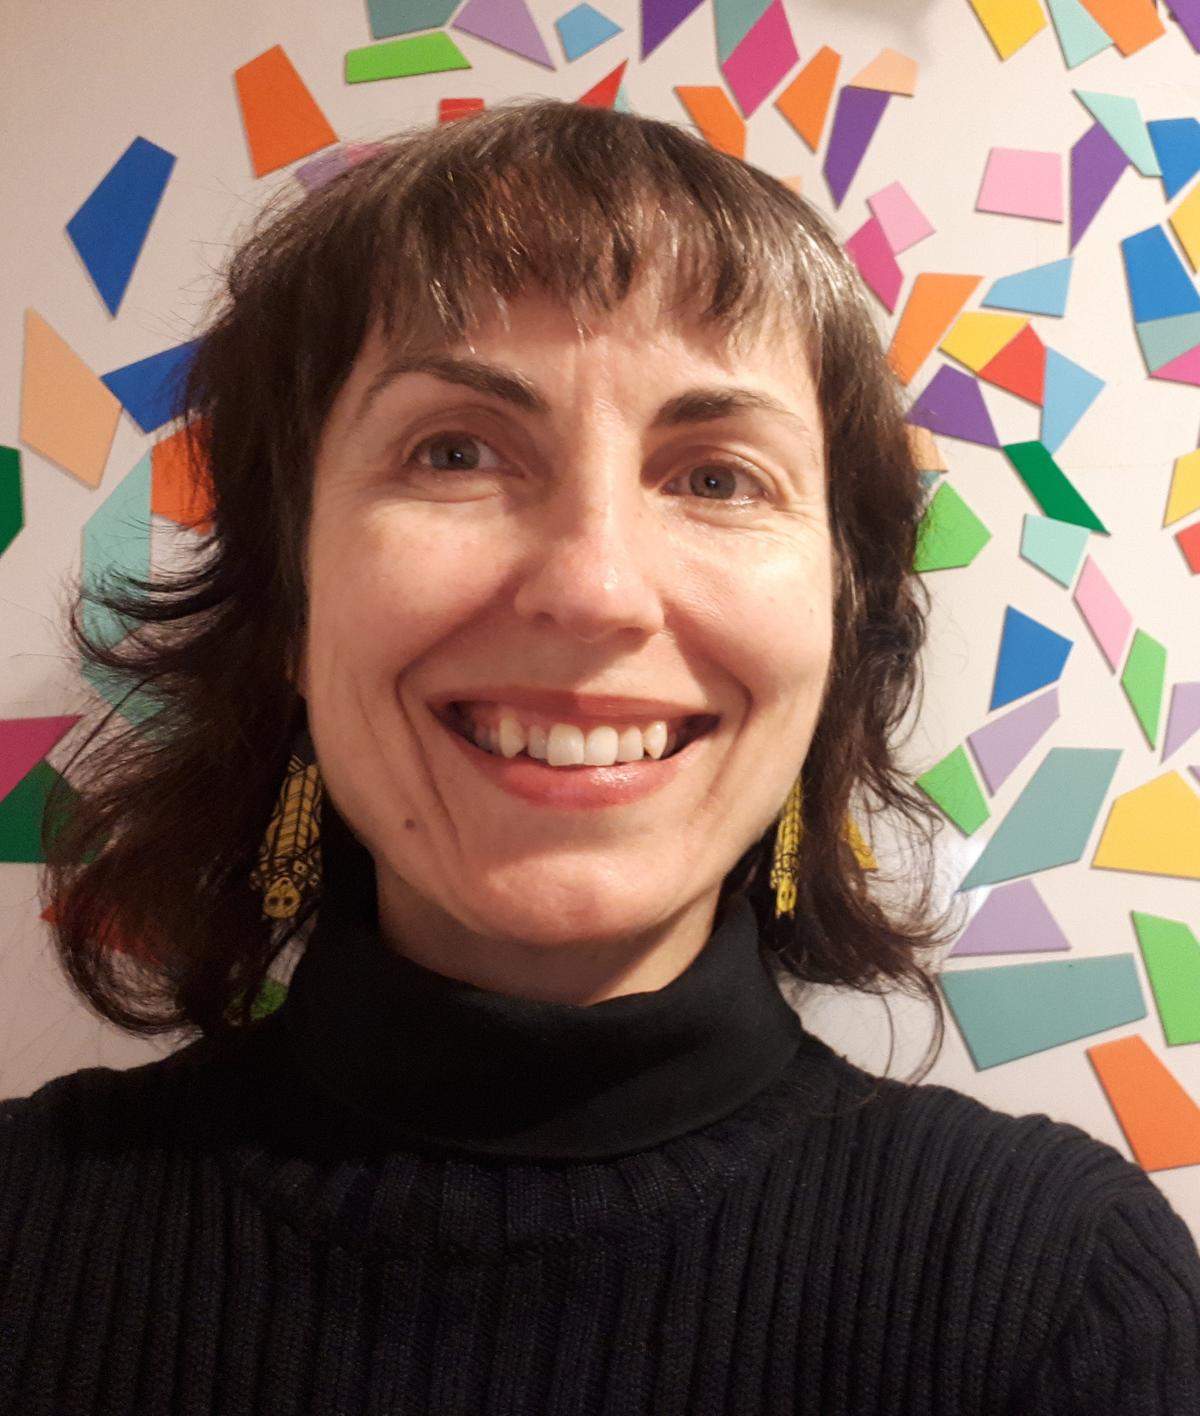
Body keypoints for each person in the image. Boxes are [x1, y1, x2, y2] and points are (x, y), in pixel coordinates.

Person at [2, 97, 1197, 1415]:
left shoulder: (1061, 1297)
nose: (595, 589)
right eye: (455, 452)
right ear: (291, 601)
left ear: (836, 623)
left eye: (717, 477)